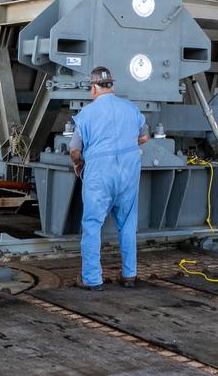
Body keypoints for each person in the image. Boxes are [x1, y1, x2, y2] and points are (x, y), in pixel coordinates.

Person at [70, 66, 149, 290]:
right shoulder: (131, 108)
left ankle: (92, 280)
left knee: (93, 225)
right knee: (127, 223)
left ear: (94, 88)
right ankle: (129, 275)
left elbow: (75, 150)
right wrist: (123, 149)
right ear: (111, 86)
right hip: (128, 174)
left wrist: (78, 164)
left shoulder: (86, 114)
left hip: (99, 176)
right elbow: (144, 137)